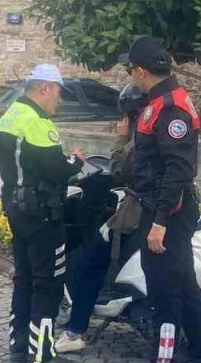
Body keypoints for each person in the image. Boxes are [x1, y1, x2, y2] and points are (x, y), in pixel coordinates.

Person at [110, 36, 201, 363]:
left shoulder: (169, 107)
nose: (130, 76)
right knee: (185, 288)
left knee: (164, 296)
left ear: (141, 71)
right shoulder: (160, 102)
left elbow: (178, 171)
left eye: (130, 70)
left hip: (166, 212)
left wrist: (160, 222)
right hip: (164, 209)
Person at [0, 63, 86, 363]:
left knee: (24, 277)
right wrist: (76, 161)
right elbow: (56, 168)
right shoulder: (37, 122)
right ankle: (42, 355)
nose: (59, 100)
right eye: (58, 92)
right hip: (43, 212)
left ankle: (19, 346)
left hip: (16, 207)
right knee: (47, 281)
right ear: (45, 88)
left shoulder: (10, 116)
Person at [58, 83, 144, 348]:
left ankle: (75, 332)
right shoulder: (165, 129)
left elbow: (119, 171)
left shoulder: (139, 139)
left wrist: (121, 138)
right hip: (172, 210)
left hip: (139, 210)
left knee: (93, 260)